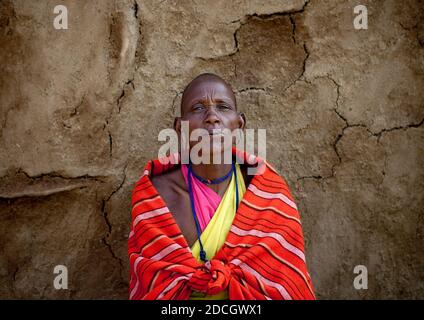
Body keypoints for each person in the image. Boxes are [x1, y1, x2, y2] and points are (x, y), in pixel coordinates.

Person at [128, 73, 315, 300]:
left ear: (239, 124)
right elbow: (153, 287)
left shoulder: (267, 191)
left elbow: (285, 284)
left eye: (223, 107)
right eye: (197, 108)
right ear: (180, 127)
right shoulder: (156, 195)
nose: (212, 117)